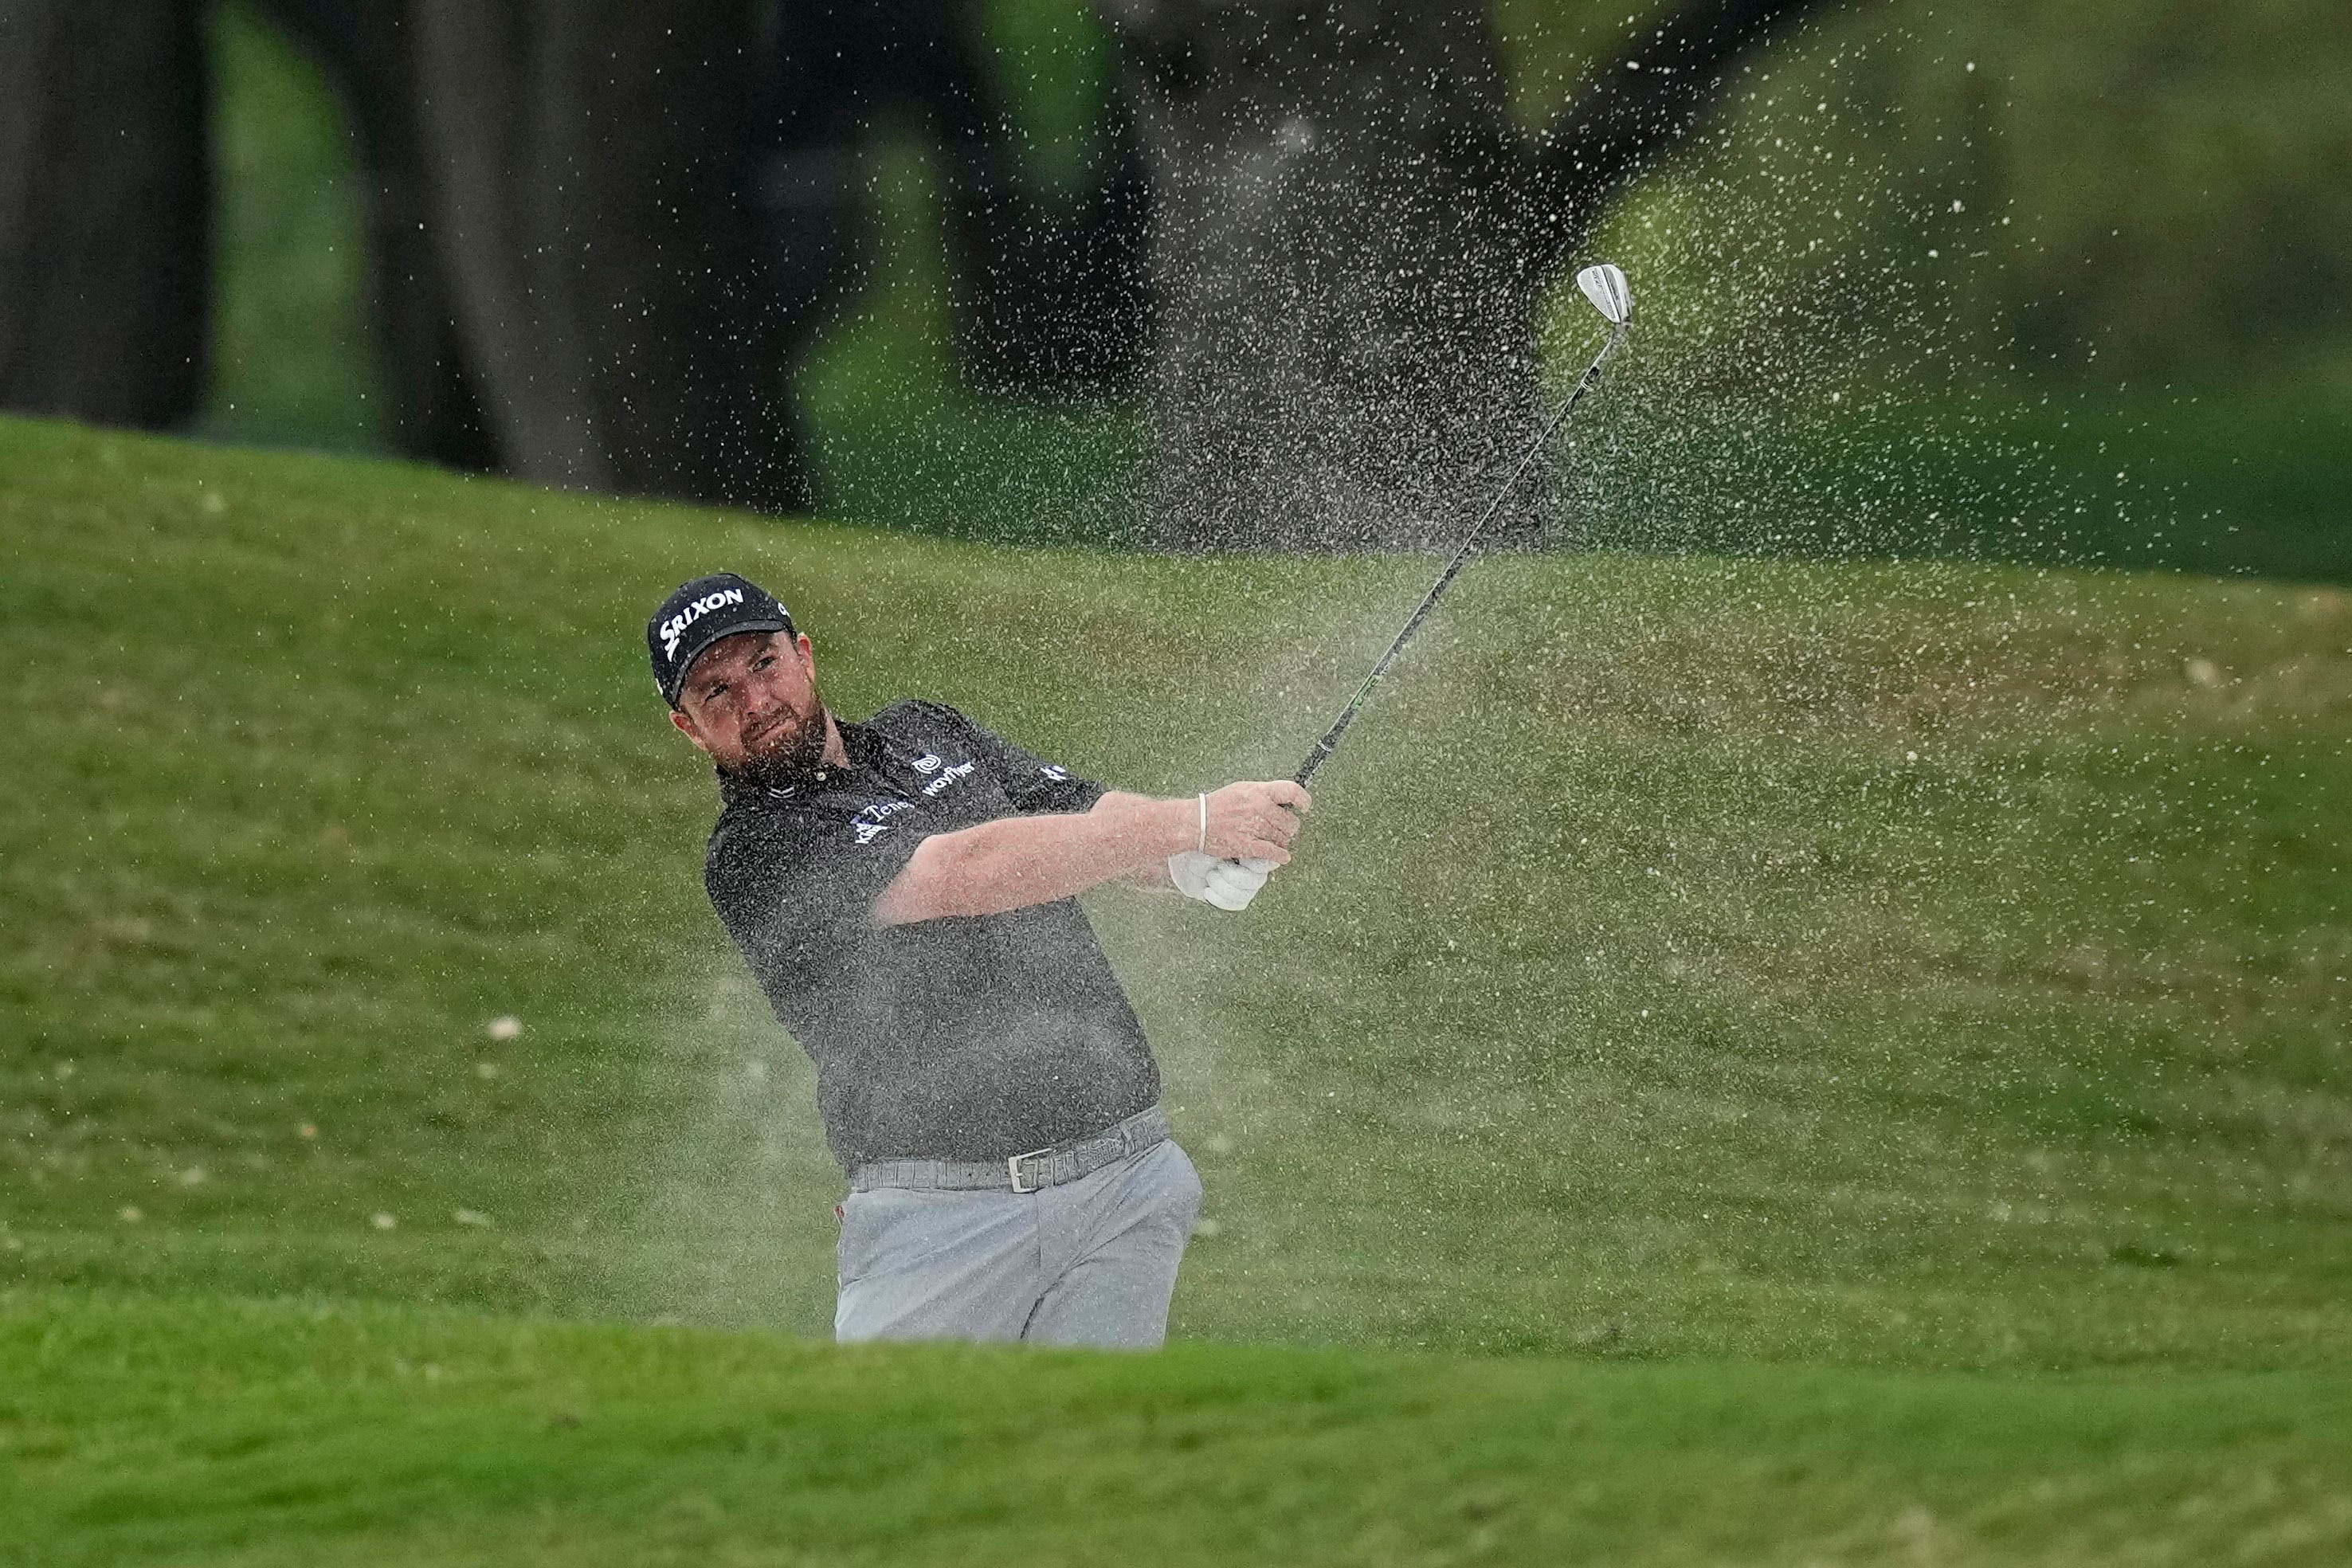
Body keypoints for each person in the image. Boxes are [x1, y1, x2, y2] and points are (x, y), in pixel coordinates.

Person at [648, 573, 1309, 1347]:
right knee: (907, 1460)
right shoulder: (756, 852)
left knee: (1095, 1460)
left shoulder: (929, 731)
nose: (756, 703)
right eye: (716, 692)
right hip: (942, 1222)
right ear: (688, 728)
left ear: (804, 654)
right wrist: (1186, 822)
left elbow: (1076, 816)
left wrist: (1188, 860)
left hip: (1121, 1182)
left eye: (764, 664)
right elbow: (967, 871)